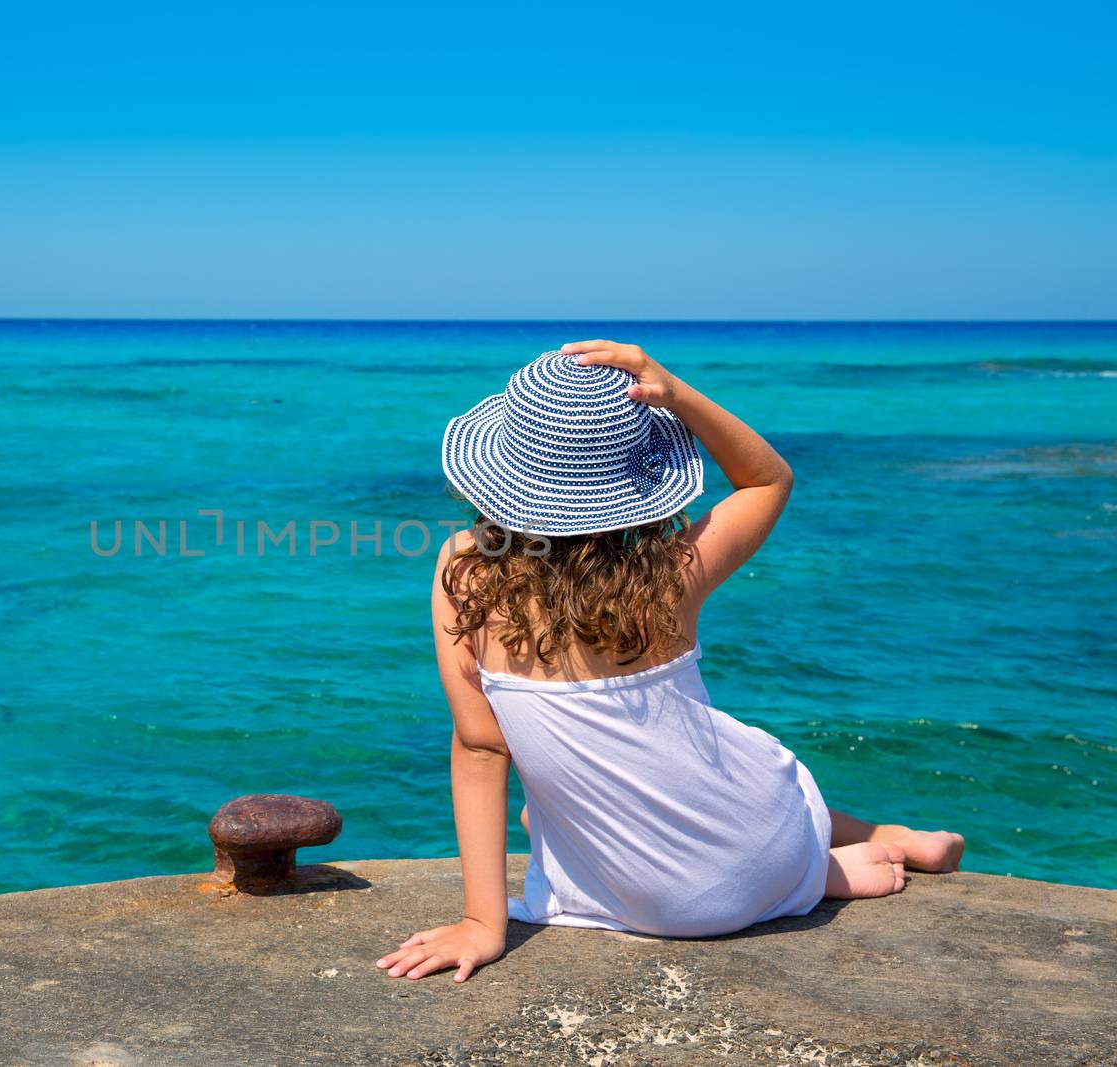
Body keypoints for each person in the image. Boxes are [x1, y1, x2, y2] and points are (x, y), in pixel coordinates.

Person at [377, 340, 965, 985]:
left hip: (658, 905)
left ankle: (837, 862)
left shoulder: (464, 571)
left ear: (503, 471)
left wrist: (482, 924)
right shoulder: (669, 578)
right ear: (634, 482)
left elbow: (483, 749)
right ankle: (845, 854)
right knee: (755, 787)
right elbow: (769, 478)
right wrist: (676, 393)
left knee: (537, 813)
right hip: (751, 849)